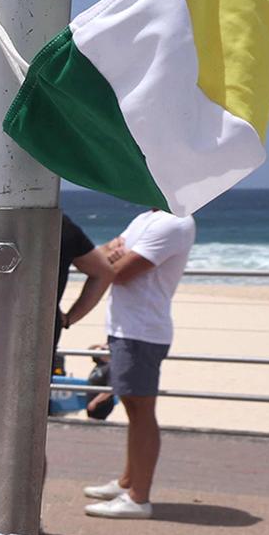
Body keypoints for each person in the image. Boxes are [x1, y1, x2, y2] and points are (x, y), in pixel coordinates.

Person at [83, 209, 196, 519]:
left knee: (142, 410)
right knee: (133, 408)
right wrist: (111, 255)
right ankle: (127, 483)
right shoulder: (146, 217)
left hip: (142, 331)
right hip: (126, 329)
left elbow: (118, 273)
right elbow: (103, 254)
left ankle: (138, 497)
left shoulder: (175, 221)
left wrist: (113, 259)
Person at [56, 213, 115, 349]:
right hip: (42, 324)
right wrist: (69, 319)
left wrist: (69, 318)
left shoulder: (61, 225)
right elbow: (103, 272)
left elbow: (104, 273)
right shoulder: (59, 224)